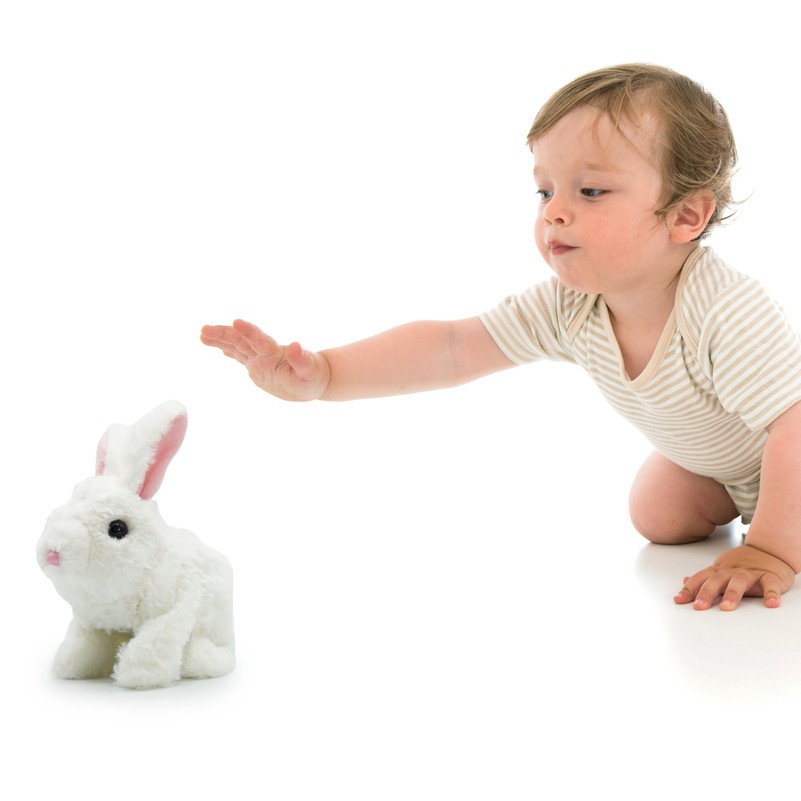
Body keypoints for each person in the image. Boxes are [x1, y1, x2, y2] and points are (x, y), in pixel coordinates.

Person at [201, 63, 801, 612]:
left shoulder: (723, 309)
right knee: (659, 513)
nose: (554, 212)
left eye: (590, 191)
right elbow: (453, 348)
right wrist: (326, 374)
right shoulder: (573, 305)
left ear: (686, 216)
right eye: (545, 190)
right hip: (730, 467)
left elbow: (794, 423)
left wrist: (770, 550)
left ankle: (776, 523)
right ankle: (752, 501)